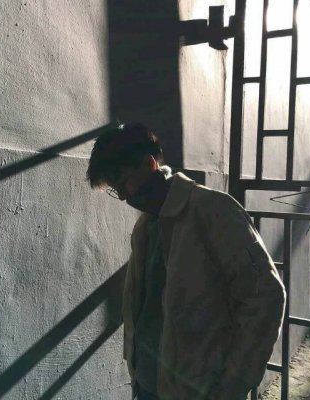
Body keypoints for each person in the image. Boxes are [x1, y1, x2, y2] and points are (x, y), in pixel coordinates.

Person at [86, 123, 286, 400]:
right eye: (115, 189)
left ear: (150, 164)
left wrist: (232, 385)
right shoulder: (145, 227)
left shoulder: (214, 210)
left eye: (123, 183)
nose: (123, 196)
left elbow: (265, 297)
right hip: (148, 387)